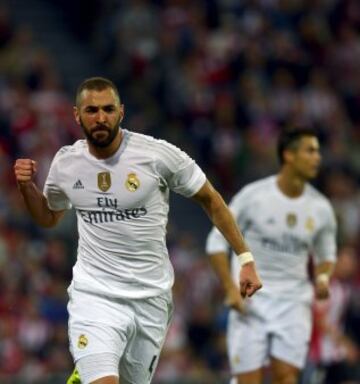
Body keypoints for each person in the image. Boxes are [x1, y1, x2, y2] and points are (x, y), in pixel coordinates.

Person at [14, 77, 262, 384]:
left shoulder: (157, 155)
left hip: (151, 298)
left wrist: (246, 257)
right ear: (77, 115)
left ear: (121, 112)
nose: (101, 117)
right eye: (92, 110)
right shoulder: (66, 163)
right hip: (95, 295)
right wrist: (27, 188)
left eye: (108, 109)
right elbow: (49, 217)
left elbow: (211, 199)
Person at [206, 128, 337, 384]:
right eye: (310, 151)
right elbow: (215, 243)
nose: (317, 158)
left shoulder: (321, 208)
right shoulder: (254, 197)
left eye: (318, 151)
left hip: (294, 302)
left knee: (287, 378)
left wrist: (322, 278)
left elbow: (327, 254)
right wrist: (230, 288)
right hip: (251, 302)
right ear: (288, 155)